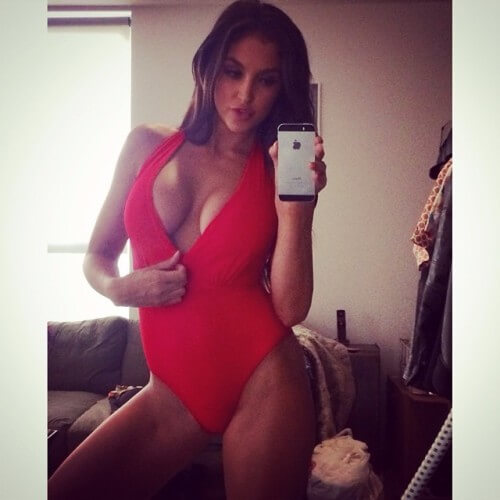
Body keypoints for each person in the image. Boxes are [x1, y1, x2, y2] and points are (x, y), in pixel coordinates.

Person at [48, 1, 327, 499]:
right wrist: (118, 289)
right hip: (171, 395)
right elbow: (97, 255)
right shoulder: (144, 146)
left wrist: (298, 213)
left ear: (281, 87)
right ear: (208, 66)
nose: (245, 95)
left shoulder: (276, 171)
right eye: (233, 72)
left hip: (265, 378)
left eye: (266, 80)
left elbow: (290, 309)